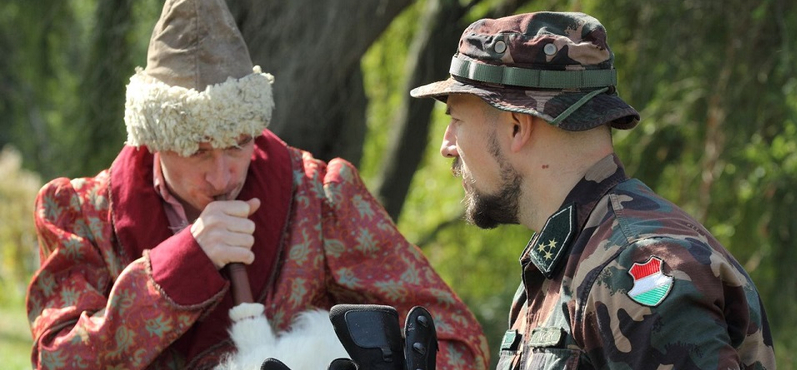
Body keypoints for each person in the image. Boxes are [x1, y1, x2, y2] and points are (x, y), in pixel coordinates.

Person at [26, 0, 489, 369]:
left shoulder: (321, 197)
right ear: (155, 139)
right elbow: (59, 360)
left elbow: (456, 342)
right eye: (199, 150)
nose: (224, 175)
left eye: (239, 144)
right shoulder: (81, 214)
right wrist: (181, 267)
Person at [410, 11, 776, 369]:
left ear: (517, 127)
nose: (448, 145)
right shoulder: (566, 262)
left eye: (456, 120)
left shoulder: (634, 270)